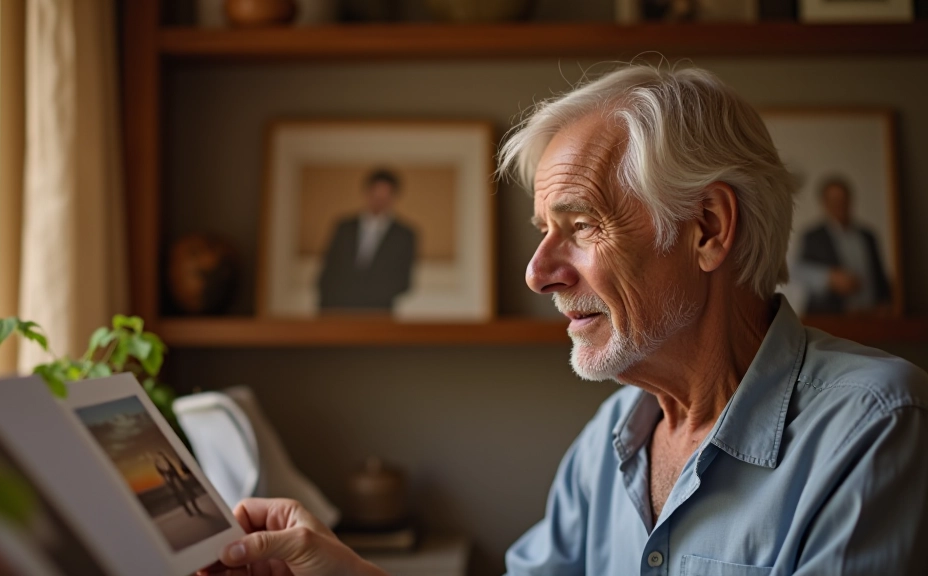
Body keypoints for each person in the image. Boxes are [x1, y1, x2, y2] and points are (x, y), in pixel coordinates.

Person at [202, 66, 928, 576]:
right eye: (542, 231)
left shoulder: (876, 427)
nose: (538, 271)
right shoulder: (610, 442)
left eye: (579, 227)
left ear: (708, 228)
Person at [317, 169, 417, 313]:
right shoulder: (344, 227)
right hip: (336, 309)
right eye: (376, 194)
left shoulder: (404, 235)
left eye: (385, 196)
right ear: (367, 193)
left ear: (394, 198)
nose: (379, 201)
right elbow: (328, 270)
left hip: (377, 312)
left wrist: (369, 297)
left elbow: (403, 281)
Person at [793, 177, 892, 315]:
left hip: (869, 314)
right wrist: (829, 278)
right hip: (830, 316)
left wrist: (885, 302)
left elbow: (879, 275)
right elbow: (798, 271)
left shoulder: (868, 236)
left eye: (843, 200)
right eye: (834, 201)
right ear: (824, 203)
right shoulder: (813, 237)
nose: (839, 205)